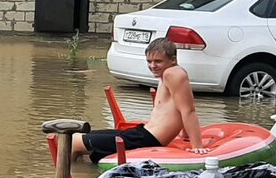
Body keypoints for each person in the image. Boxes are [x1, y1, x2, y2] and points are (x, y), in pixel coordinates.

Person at [71, 36, 207, 163]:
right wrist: (184, 134)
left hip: (147, 139)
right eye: (149, 61)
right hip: (142, 134)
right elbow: (178, 107)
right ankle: (79, 172)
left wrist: (197, 146)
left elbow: (188, 110)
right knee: (86, 139)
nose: (152, 66)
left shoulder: (174, 74)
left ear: (173, 60)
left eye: (158, 61)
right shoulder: (167, 74)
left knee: (74, 140)